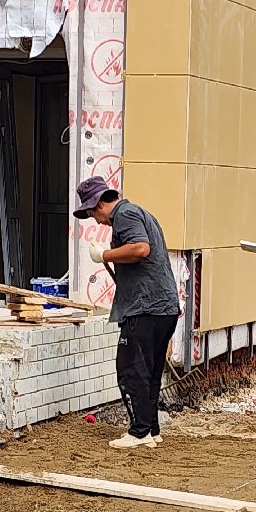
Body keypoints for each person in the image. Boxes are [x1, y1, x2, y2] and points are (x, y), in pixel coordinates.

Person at [74, 177, 181, 450]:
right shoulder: (141, 213)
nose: (96, 221)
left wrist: (105, 255)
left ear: (100, 203)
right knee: (150, 370)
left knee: (131, 368)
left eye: (92, 213)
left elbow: (140, 249)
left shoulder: (125, 214)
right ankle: (151, 428)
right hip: (163, 307)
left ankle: (139, 431)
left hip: (144, 308)